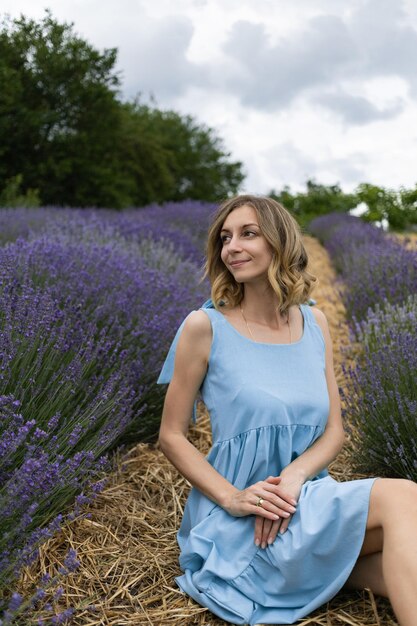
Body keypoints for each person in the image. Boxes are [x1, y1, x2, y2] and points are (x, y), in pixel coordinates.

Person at [157, 194, 417, 626]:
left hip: (304, 499)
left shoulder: (314, 323)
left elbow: (334, 430)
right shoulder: (204, 327)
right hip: (240, 521)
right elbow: (171, 435)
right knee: (406, 496)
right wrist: (234, 497)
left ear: (280, 243)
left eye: (248, 233)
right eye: (225, 238)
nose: (232, 247)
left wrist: (294, 479)